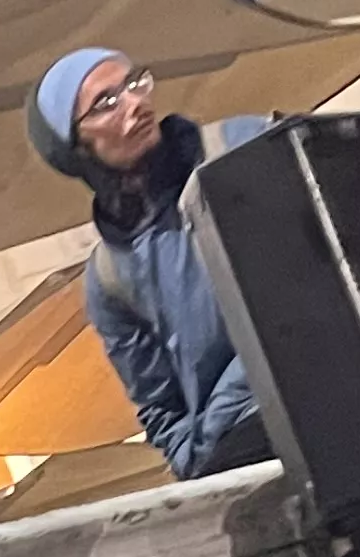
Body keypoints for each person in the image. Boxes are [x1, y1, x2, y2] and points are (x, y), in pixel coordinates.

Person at [24, 50, 269, 485]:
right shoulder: (108, 279)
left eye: (135, 82)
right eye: (106, 103)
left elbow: (297, 303)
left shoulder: (243, 148)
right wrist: (204, 453)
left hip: (355, 406)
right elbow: (160, 412)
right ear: (77, 149)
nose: (135, 102)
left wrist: (212, 434)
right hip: (252, 468)